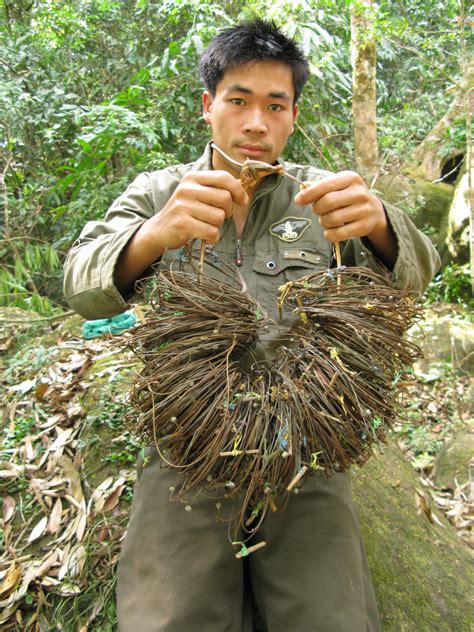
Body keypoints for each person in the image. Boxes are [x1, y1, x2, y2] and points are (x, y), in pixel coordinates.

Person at [64, 19, 440, 632]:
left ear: (292, 116)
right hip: (187, 446)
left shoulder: (325, 196)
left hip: (308, 447)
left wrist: (380, 224)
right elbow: (81, 283)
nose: (256, 123)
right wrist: (155, 234)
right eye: (238, 101)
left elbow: (418, 273)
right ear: (209, 106)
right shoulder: (158, 190)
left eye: (276, 105)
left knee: (330, 616)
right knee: (169, 615)